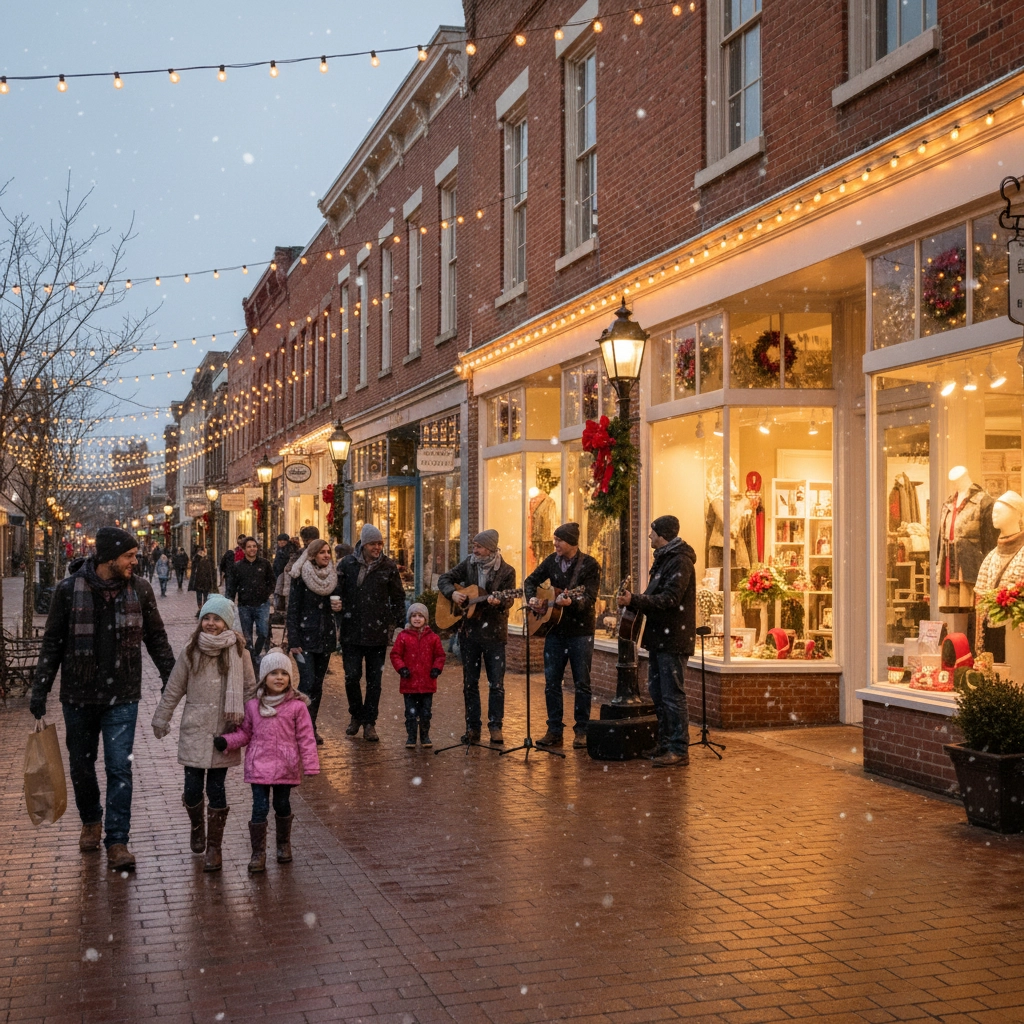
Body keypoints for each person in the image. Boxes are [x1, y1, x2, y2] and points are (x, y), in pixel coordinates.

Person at [29, 526, 176, 871]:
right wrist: (41, 689)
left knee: (119, 768)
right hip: (78, 695)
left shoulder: (139, 589)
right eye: (129, 556)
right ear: (109, 558)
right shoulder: (68, 591)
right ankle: (91, 820)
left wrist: (173, 678)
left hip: (122, 694)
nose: (134, 561)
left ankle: (117, 840)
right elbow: (53, 643)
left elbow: (156, 638)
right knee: (81, 766)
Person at [151, 595, 256, 870]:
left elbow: (248, 690)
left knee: (217, 789)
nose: (211, 624)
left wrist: (251, 724)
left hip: (225, 731)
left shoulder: (240, 653)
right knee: (193, 789)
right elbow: (174, 687)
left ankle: (214, 848)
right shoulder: (190, 650)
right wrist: (162, 717)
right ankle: (197, 825)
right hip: (195, 729)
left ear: (228, 623)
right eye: (207, 618)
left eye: (217, 619)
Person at [214, 650, 319, 873]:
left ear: (290, 678)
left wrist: (310, 764)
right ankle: (258, 853)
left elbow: (306, 737)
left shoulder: (297, 707)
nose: (279, 677)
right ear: (264, 677)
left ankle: (283, 845)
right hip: (259, 766)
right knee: (259, 808)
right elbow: (245, 733)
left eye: (284, 673)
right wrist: (227, 741)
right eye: (273, 673)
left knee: (282, 805)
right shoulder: (253, 706)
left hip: (285, 766)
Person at [618, 516, 696, 767]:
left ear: (662, 535)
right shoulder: (664, 560)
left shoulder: (680, 561)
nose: (649, 537)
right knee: (658, 692)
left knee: (673, 694)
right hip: (660, 638)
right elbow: (658, 596)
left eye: (652, 533)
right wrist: (637, 599)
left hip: (673, 638)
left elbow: (670, 599)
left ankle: (678, 748)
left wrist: (635, 600)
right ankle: (664, 743)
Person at [524, 521, 601, 749]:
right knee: (552, 683)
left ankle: (582, 731)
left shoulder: (589, 565)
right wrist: (532, 598)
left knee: (582, 682)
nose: (555, 543)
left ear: (572, 543)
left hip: (580, 632)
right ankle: (554, 730)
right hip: (555, 630)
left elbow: (589, 599)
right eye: (555, 539)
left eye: (560, 540)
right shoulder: (551, 561)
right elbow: (530, 581)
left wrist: (572, 602)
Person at [437, 529, 517, 745]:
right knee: (470, 682)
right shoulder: (469, 563)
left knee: (496, 683)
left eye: (478, 546)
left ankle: (495, 726)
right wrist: (452, 593)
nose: (474, 550)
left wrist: (499, 602)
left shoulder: (507, 571)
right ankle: (473, 727)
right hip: (469, 633)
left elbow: (509, 600)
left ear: (490, 549)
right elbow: (445, 579)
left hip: (494, 634)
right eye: (474, 546)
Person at [336, 523, 405, 742]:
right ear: (364, 544)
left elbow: (398, 598)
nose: (377, 548)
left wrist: (398, 626)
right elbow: (337, 592)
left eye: (380, 543)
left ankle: (369, 723)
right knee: (351, 677)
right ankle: (356, 715)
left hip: (377, 632)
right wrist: (338, 613)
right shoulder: (347, 564)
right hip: (351, 631)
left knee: (375, 681)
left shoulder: (388, 566)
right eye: (373, 544)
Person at [286, 539, 338, 745]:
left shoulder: (333, 577)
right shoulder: (300, 577)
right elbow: (293, 610)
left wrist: (339, 607)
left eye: (328, 552)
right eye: (322, 552)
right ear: (313, 555)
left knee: (317, 684)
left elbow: (338, 605)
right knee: (306, 682)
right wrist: (293, 639)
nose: (326, 555)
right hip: (304, 639)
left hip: (325, 637)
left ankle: (311, 727)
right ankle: (298, 727)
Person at [390, 602, 445, 748]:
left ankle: (425, 736)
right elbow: (395, 654)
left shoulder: (433, 638)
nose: (417, 619)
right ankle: (411, 737)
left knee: (426, 713)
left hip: (427, 683)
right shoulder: (403, 636)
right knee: (411, 713)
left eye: (420, 616)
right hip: (409, 683)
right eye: (414, 616)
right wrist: (402, 668)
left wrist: (436, 669)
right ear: (409, 618)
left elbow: (440, 655)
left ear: (425, 619)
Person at [226, 537, 276, 669]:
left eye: (254, 546)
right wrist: (230, 600)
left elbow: (272, 581)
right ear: (244, 549)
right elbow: (231, 586)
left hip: (262, 604)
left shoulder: (264, 564)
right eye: (249, 546)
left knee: (263, 633)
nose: (252, 549)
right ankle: (251, 659)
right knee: (247, 636)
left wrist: (266, 593)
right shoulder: (238, 567)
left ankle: (256, 653)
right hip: (245, 606)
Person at [189, 545, 215, 618]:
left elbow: (212, 570)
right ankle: (200, 609)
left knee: (206, 596)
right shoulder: (197, 558)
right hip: (199, 581)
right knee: (199, 596)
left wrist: (212, 581)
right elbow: (194, 566)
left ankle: (205, 609)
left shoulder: (209, 559)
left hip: (206, 581)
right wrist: (199, 556)